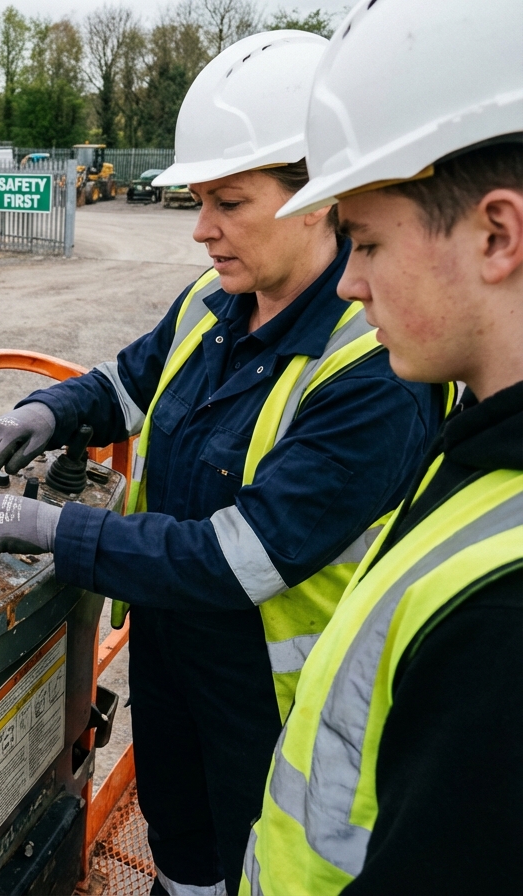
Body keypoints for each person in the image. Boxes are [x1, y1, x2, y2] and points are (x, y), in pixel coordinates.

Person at [0, 30, 449, 896]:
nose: (201, 231)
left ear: (319, 198)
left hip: (269, 693)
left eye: (228, 201)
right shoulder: (217, 298)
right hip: (171, 642)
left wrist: (58, 529)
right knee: (178, 827)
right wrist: (52, 409)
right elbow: (132, 379)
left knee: (249, 849)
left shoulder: (375, 366)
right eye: (198, 200)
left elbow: (242, 556)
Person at [235, 1, 523, 893]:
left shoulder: (502, 618)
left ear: (497, 235)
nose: (349, 281)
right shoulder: (478, 438)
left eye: (365, 241)